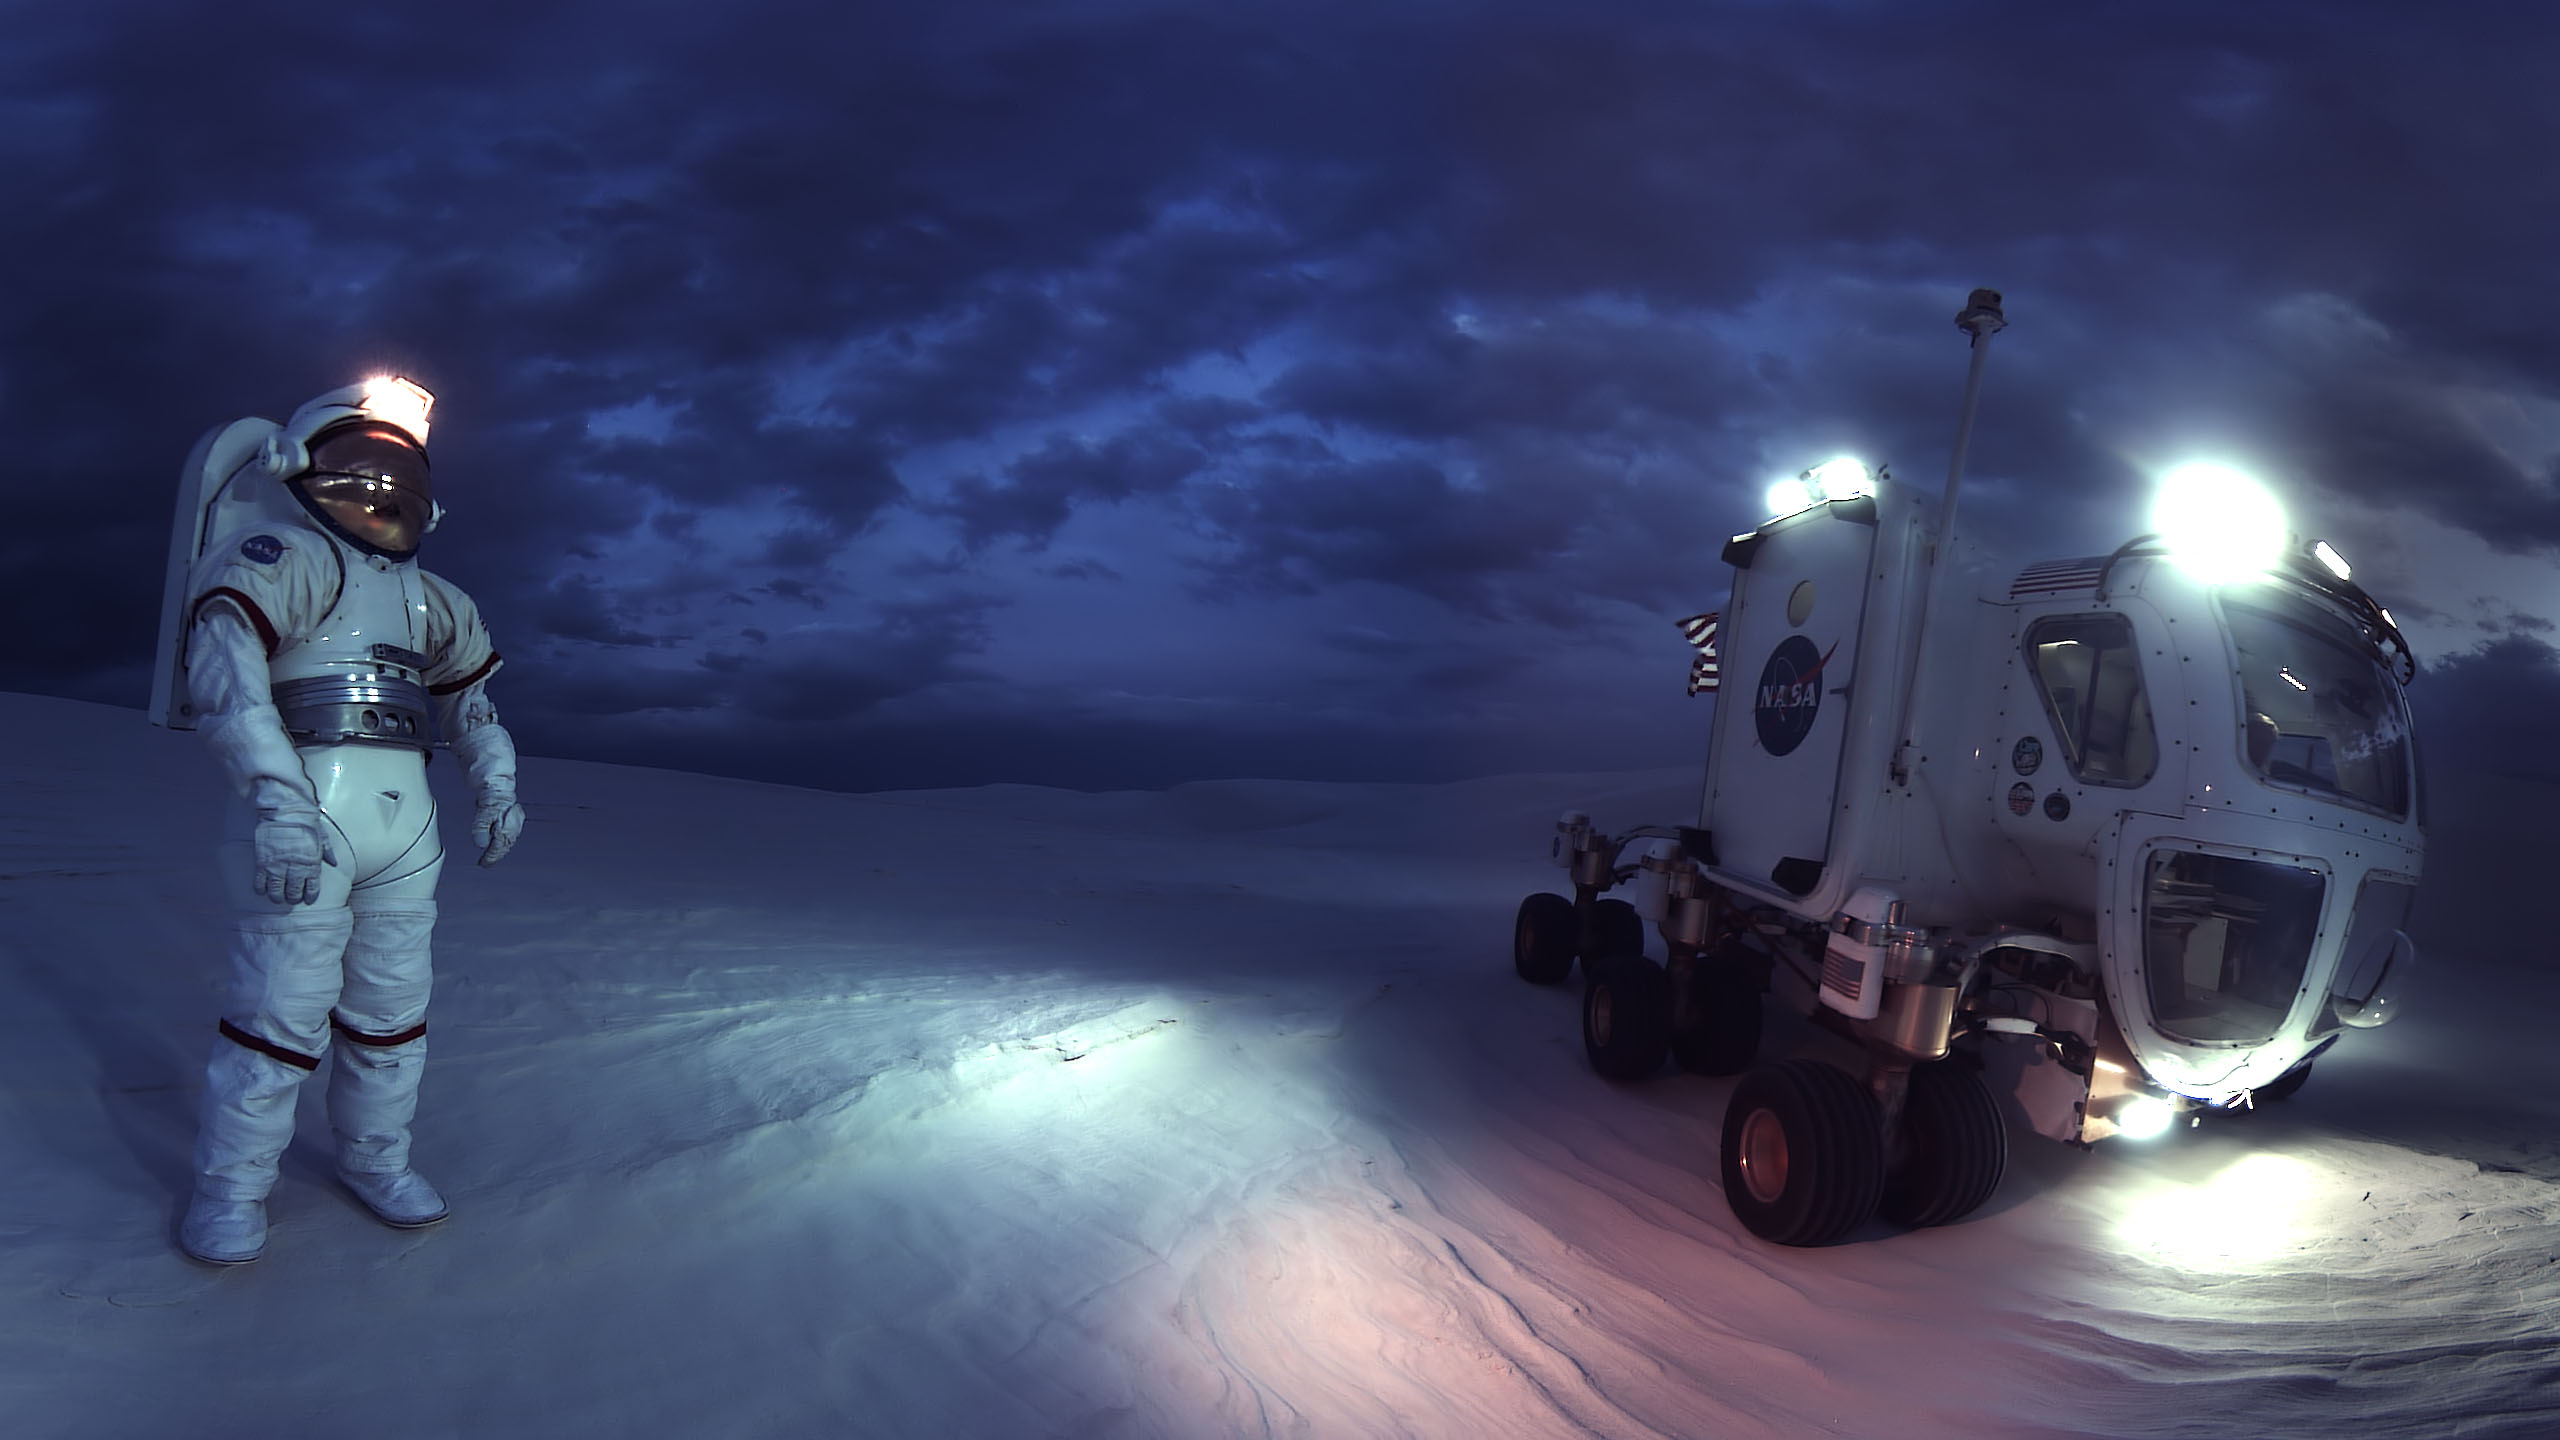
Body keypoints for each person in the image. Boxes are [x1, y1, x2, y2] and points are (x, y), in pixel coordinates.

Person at [171, 377, 525, 1265]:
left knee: (392, 1014)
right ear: (295, 463)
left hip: (405, 821)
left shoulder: (436, 600)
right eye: (361, 461)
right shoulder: (275, 555)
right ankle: (231, 1189)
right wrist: (277, 801)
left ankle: (376, 1158)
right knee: (275, 1014)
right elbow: (229, 685)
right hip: (307, 809)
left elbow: (471, 704)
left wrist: (497, 783)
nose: (382, 486)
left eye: (400, 467)